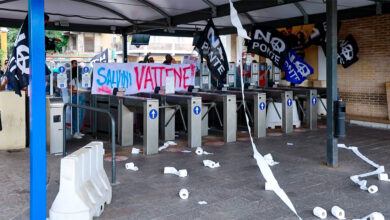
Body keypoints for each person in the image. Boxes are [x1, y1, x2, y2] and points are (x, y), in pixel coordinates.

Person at [70, 60, 86, 139]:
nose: (81, 72)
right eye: (80, 71)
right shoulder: (74, 79)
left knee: (82, 115)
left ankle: (78, 131)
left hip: (82, 97)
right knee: (77, 115)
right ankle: (76, 131)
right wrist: (79, 91)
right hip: (76, 97)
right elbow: (70, 90)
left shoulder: (82, 80)